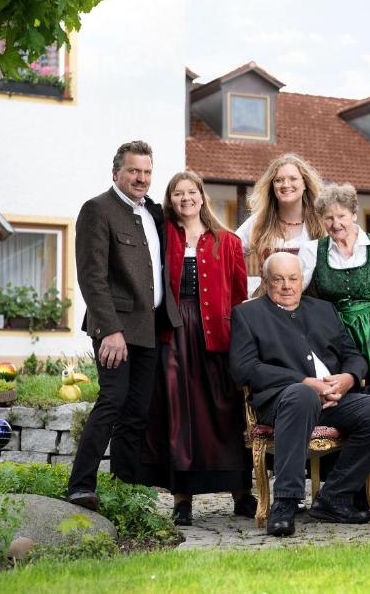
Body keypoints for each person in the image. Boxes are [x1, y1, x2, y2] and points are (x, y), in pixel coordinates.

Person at [228, 252, 370, 537]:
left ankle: (334, 497)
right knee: (302, 395)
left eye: (293, 278)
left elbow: (352, 356)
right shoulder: (248, 314)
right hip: (283, 402)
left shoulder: (323, 309)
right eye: (278, 279)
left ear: (302, 280)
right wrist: (305, 382)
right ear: (266, 282)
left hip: (333, 399)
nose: (287, 286)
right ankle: (285, 503)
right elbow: (244, 368)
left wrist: (347, 379)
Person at [68, 140, 182, 511]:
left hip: (149, 327)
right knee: (112, 402)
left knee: (137, 412)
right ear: (116, 172)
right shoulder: (97, 210)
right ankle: (80, 485)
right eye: (134, 171)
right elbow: (92, 276)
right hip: (115, 329)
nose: (141, 178)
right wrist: (109, 330)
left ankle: (126, 489)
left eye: (147, 172)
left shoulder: (152, 213)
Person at [143, 171, 255, 526]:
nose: (186, 198)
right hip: (174, 334)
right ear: (170, 199)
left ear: (203, 196)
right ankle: (182, 498)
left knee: (225, 411)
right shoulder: (162, 236)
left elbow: (239, 297)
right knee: (179, 413)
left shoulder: (229, 241)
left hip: (217, 337)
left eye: (192, 192)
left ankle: (241, 493)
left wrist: (242, 340)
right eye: (178, 193)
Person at [297, 183, 370, 489]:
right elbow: (293, 290)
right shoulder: (313, 250)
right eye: (328, 218)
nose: (336, 224)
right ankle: (346, 483)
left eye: (341, 216)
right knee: (340, 402)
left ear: (354, 214)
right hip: (335, 337)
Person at [236, 154, 326, 270]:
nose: (286, 185)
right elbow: (228, 251)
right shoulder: (260, 221)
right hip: (268, 288)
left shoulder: (321, 222)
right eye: (278, 180)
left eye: (293, 179)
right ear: (272, 186)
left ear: (304, 184)